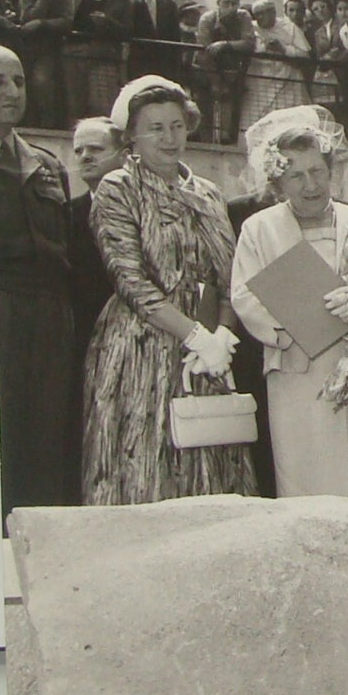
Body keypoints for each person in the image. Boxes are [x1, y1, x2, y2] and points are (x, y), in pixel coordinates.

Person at [80, 75, 257, 505]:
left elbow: (228, 275)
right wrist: (192, 334)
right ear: (132, 138)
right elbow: (131, 282)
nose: (169, 137)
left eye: (177, 125)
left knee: (210, 456)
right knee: (144, 464)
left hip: (207, 349)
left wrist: (222, 337)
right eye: (155, 128)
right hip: (141, 345)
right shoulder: (118, 189)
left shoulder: (210, 193)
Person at [231, 106, 348, 506]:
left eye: (317, 171)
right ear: (278, 181)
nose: (310, 184)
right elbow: (245, 295)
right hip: (298, 372)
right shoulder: (259, 229)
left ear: (331, 170)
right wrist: (295, 326)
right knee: (309, 484)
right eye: (296, 175)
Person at [0, 43, 73, 531]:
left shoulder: (48, 164)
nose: (12, 92)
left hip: (49, 318)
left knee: (47, 435)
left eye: (17, 80)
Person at [65, 116, 127, 503]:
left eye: (96, 149)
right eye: (79, 151)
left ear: (122, 153)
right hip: (83, 338)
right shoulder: (66, 213)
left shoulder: (141, 207)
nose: (86, 157)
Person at [63, 0, 134, 121]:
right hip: (77, 57)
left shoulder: (122, 0)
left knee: (102, 103)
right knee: (76, 101)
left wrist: (107, 22)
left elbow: (128, 31)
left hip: (105, 57)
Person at [14, 0, 74, 127]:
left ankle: (47, 125)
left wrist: (41, 24)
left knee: (43, 83)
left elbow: (67, 22)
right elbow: (27, 17)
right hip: (27, 47)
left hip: (51, 48)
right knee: (25, 85)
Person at [194, 0, 257, 143]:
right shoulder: (207, 19)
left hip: (231, 74)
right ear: (218, 3)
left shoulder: (243, 16)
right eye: (226, 3)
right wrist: (215, 82)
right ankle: (206, 146)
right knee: (205, 113)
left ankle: (228, 143)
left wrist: (225, 45)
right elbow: (204, 52)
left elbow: (249, 43)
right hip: (206, 71)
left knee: (231, 118)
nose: (230, 8)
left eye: (234, 3)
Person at [244, 0, 312, 121]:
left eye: (266, 12)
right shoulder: (250, 28)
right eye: (258, 14)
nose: (262, 16)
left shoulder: (289, 27)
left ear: (274, 12)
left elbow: (305, 55)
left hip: (287, 84)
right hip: (260, 85)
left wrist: (283, 49)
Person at [128, 0, 182, 82]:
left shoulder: (168, 3)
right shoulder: (128, 1)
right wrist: (138, 1)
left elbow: (175, 35)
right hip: (139, 61)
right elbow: (127, 26)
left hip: (164, 61)